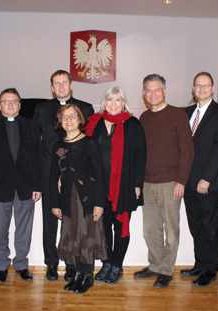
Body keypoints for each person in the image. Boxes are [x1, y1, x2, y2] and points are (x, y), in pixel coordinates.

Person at [33, 70, 94, 281]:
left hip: (75, 177)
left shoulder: (85, 108)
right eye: (56, 83)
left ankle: (71, 263)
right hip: (49, 173)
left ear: (71, 85)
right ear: (51, 88)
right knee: (50, 222)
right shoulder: (41, 109)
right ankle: (50, 263)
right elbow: (35, 144)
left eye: (64, 82)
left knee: (73, 221)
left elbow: (90, 146)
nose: (60, 86)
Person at [134, 74, 194, 288]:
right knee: (150, 230)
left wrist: (181, 181)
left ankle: (166, 271)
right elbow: (140, 153)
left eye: (156, 90)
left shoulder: (178, 115)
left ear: (164, 91)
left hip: (171, 183)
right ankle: (155, 265)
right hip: (147, 183)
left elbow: (187, 150)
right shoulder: (144, 118)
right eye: (148, 90)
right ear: (144, 93)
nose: (152, 94)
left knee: (171, 230)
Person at [85, 86, 146, 285]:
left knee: (121, 227)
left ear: (123, 103)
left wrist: (137, 184)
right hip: (98, 187)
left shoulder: (133, 124)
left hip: (123, 185)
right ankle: (107, 264)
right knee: (102, 227)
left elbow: (140, 156)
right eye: (110, 99)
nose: (113, 103)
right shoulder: (94, 123)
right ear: (104, 102)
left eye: (117, 100)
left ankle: (117, 266)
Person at [182, 72, 218, 287]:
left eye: (206, 85)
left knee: (212, 227)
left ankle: (210, 269)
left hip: (208, 183)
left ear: (212, 88)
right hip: (188, 182)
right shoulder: (185, 113)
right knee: (196, 226)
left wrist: (207, 178)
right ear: (193, 89)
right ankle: (200, 264)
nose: (202, 89)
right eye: (198, 86)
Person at [0, 88, 43, 284]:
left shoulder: (32, 126)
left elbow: (38, 157)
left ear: (20, 105)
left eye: (14, 101)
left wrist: (38, 184)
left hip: (25, 187)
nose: (10, 104)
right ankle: (1, 265)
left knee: (23, 230)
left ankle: (21, 264)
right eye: (5, 101)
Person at [49, 104, 106, 294]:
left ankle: (86, 276)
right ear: (60, 122)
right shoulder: (58, 146)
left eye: (73, 116)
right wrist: (54, 204)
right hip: (67, 199)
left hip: (87, 200)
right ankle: (76, 275)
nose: (69, 120)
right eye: (64, 117)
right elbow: (52, 177)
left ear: (80, 119)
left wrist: (99, 203)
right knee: (72, 236)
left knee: (85, 236)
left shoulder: (90, 142)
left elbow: (99, 174)